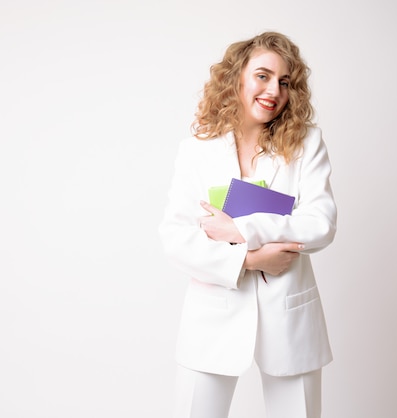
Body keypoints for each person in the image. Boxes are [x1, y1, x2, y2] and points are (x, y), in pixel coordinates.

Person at [158, 31, 337, 418]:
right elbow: (176, 237)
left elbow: (320, 223)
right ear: (236, 78)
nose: (274, 89)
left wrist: (243, 231)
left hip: (291, 319)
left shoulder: (307, 143)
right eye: (263, 75)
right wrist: (250, 261)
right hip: (211, 319)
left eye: (285, 82)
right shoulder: (196, 150)